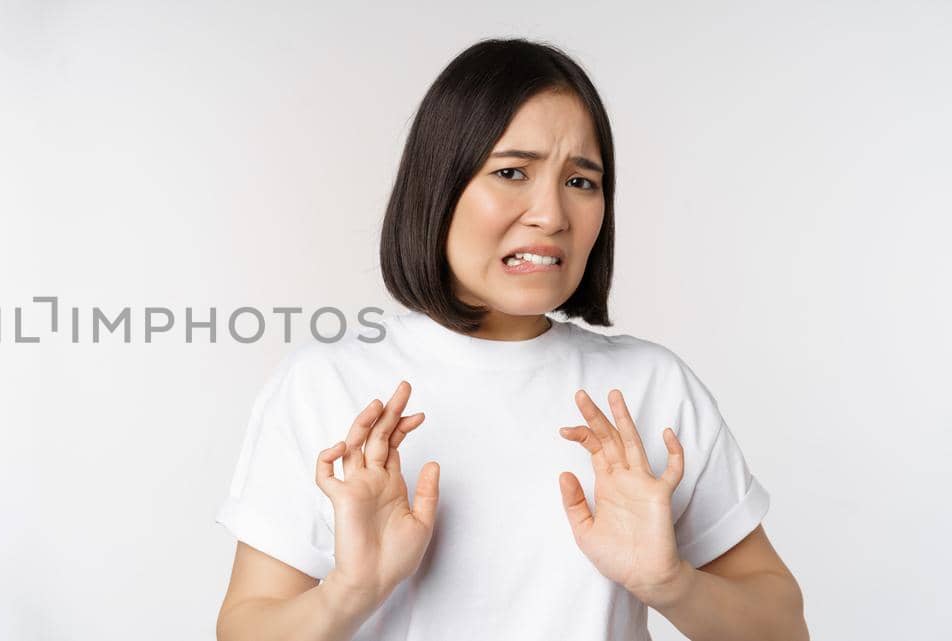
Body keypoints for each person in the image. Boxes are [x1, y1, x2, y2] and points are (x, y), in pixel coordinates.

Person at [213, 38, 807, 641]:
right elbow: (244, 628)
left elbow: (784, 627)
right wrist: (351, 592)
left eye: (581, 181)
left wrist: (670, 583)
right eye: (512, 172)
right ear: (438, 187)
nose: (551, 214)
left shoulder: (650, 386)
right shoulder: (328, 384)